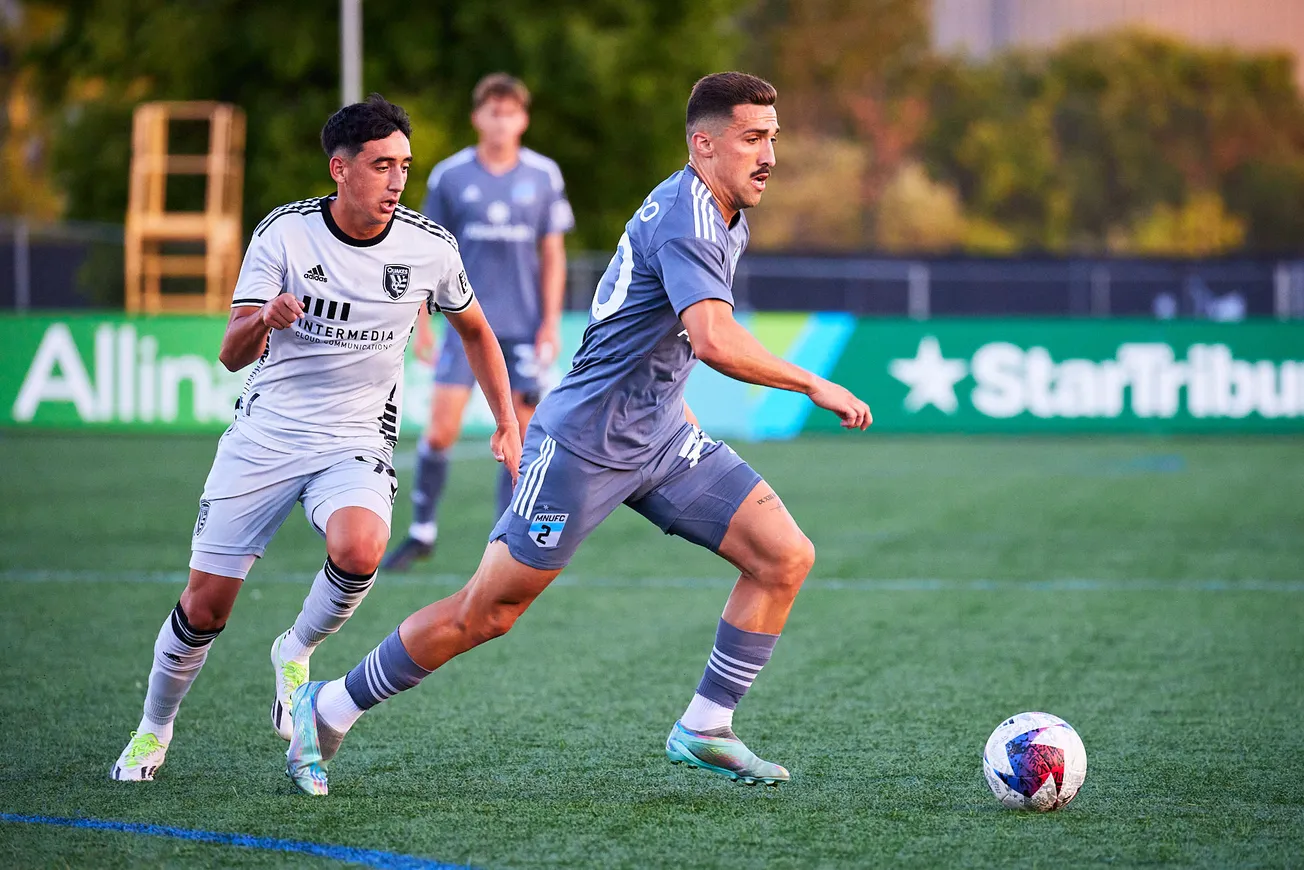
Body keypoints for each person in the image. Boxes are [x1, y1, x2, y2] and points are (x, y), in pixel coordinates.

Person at [284, 72, 871, 797]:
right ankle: (329, 703)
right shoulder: (687, 214)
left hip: (661, 439)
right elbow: (713, 338)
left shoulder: (728, 211)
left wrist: (671, 406)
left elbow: (669, 338)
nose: (769, 155)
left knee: (783, 557)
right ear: (705, 144)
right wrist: (811, 381)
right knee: (486, 612)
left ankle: (706, 725)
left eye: (773, 138)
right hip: (583, 445)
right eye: (754, 139)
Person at [109, 94, 522, 782]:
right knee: (205, 607)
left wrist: (507, 421)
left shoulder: (428, 247)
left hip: (357, 437)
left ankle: (296, 648)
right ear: (340, 168)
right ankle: (154, 729)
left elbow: (476, 329)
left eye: (404, 166)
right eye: (381, 165)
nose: (396, 181)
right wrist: (265, 318)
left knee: (361, 548)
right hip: (266, 437)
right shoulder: (285, 235)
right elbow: (232, 354)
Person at [382, 73, 573, 571]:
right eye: (493, 110)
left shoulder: (544, 175)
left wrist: (551, 322)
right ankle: (422, 532)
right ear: (477, 117)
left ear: (523, 120)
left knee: (523, 434)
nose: (501, 120)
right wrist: (421, 320)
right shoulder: (450, 176)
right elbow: (424, 252)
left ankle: (505, 536)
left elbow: (552, 253)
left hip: (522, 328)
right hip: (464, 328)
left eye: (510, 112)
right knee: (441, 431)